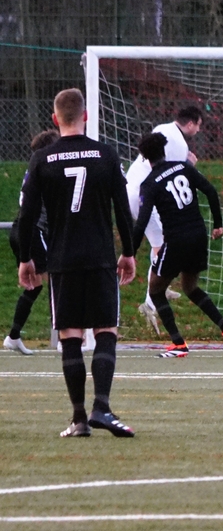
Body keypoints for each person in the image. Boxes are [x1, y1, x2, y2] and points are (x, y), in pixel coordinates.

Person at [18, 88, 137, 437]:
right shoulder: (106, 155)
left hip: (63, 259)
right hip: (100, 257)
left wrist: (25, 258)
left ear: (55, 119)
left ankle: (79, 418)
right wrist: (129, 252)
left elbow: (27, 215)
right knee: (105, 330)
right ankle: (102, 407)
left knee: (70, 334)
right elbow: (123, 209)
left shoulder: (42, 159)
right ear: (85, 116)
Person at [132, 132, 223, 358]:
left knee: (155, 290)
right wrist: (218, 224)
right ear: (164, 150)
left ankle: (179, 344)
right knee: (190, 287)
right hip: (198, 235)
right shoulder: (183, 167)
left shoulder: (149, 184)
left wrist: (129, 252)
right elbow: (210, 191)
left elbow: (142, 222)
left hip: (176, 240)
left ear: (145, 158)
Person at [126, 106, 204, 334]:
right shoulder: (180, 144)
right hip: (143, 194)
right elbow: (173, 175)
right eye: (198, 126)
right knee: (164, 244)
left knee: (161, 243)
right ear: (191, 124)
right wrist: (189, 165)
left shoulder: (164, 128)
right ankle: (152, 298)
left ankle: (157, 292)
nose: (198, 131)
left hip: (133, 188)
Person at [5, 129, 60, 355]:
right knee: (57, 280)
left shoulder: (34, 169)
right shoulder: (47, 169)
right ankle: (66, 336)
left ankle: (13, 336)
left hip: (19, 230)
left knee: (34, 285)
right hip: (34, 231)